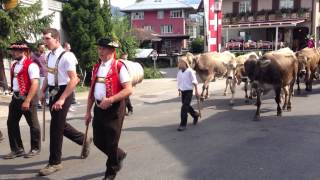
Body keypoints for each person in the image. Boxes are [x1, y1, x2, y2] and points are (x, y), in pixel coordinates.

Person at [39, 28, 92, 176]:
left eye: (47, 39)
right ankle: (83, 139)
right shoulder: (49, 55)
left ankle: (55, 162)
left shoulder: (67, 56)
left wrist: (62, 99)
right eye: (44, 39)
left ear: (57, 39)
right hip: (53, 91)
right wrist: (43, 91)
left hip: (64, 91)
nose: (45, 42)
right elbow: (49, 75)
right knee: (60, 124)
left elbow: (74, 79)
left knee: (56, 128)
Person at [84, 38, 133, 180]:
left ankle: (110, 173)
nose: (100, 51)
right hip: (99, 108)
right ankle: (119, 155)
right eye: (99, 48)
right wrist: (87, 112)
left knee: (111, 143)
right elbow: (91, 92)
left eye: (103, 49)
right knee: (98, 141)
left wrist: (111, 99)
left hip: (114, 108)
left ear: (112, 51)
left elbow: (128, 89)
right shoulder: (96, 67)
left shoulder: (119, 66)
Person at [4, 42, 41, 159]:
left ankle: (35, 148)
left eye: (16, 50)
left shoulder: (31, 65)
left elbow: (35, 84)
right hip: (15, 98)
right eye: (13, 50)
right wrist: (12, 87)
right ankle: (17, 149)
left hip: (27, 97)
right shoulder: (14, 65)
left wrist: (28, 100)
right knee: (11, 123)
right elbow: (19, 79)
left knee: (33, 124)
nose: (13, 52)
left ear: (24, 51)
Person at [176, 56, 200, 131]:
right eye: (179, 62)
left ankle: (183, 124)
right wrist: (179, 90)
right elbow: (179, 81)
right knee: (186, 106)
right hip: (183, 91)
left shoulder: (190, 71)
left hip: (189, 91)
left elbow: (194, 81)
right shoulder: (179, 72)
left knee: (184, 108)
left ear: (185, 63)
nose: (180, 64)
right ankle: (195, 115)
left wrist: (196, 91)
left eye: (181, 62)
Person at [31, 43, 48, 107]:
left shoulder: (45, 55)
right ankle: (38, 102)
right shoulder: (34, 55)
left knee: (45, 89)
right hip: (39, 74)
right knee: (40, 89)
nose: (43, 49)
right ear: (38, 48)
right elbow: (31, 63)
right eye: (41, 47)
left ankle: (45, 101)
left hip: (46, 74)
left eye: (44, 47)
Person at [63, 42, 78, 107]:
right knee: (67, 89)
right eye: (68, 47)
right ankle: (68, 104)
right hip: (65, 76)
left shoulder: (71, 54)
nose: (70, 48)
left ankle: (72, 100)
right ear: (64, 47)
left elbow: (76, 62)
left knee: (72, 87)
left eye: (70, 47)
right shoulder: (62, 54)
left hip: (72, 73)